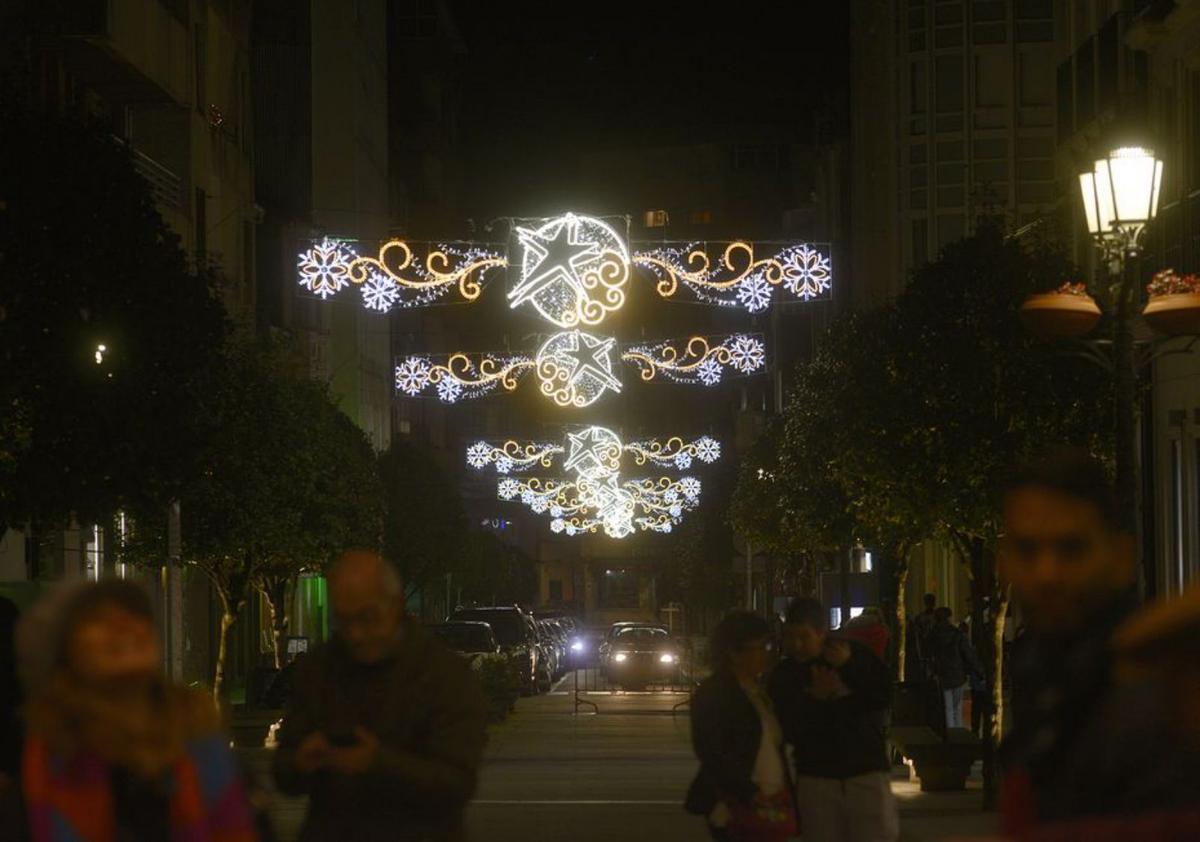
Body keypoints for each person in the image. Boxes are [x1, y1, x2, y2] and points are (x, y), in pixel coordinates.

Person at [999, 448, 1200, 835]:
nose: (1047, 574)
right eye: (1027, 550)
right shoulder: (1042, 668)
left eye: (1071, 549)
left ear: (1121, 557)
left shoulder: (1166, 682)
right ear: (1003, 561)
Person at [6, 580, 258, 842]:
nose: (124, 625)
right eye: (98, 619)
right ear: (64, 652)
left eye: (134, 615)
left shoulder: (205, 747)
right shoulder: (47, 763)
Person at [273, 550, 487, 842]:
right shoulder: (320, 668)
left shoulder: (442, 674)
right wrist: (301, 761)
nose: (356, 634)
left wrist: (378, 763)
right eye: (344, 620)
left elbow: (456, 782)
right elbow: (283, 769)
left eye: (368, 617)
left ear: (396, 605)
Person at [769, 598, 897, 841]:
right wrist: (817, 700)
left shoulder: (853, 655)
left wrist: (849, 666)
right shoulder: (786, 674)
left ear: (821, 633)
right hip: (817, 774)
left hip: (864, 770)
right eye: (790, 637)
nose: (796, 645)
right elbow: (787, 726)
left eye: (804, 636)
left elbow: (882, 696)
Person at [685, 611, 794, 842]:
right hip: (738, 804)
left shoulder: (757, 690)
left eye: (767, 646)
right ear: (734, 653)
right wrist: (747, 791)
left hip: (769, 800)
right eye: (760, 648)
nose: (765, 655)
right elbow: (712, 751)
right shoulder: (716, 693)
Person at [927, 607, 982, 730]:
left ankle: (950, 732)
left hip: (942, 674)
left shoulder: (932, 635)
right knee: (957, 707)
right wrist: (979, 671)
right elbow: (968, 654)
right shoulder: (957, 634)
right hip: (958, 674)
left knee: (948, 707)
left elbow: (928, 654)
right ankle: (958, 731)